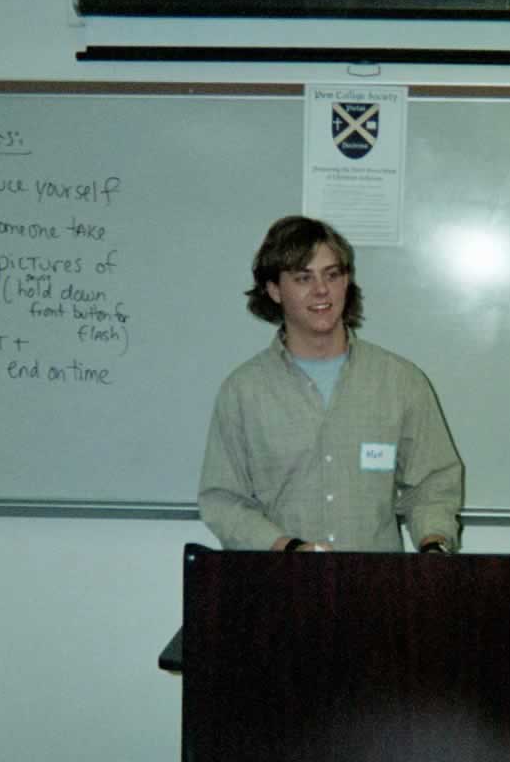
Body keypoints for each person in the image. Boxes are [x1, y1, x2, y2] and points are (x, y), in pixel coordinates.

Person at [198, 215, 463, 553]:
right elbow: (223, 501)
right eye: (303, 278)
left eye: (332, 275)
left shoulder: (400, 382)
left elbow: (432, 484)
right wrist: (286, 548)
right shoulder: (244, 391)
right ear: (274, 290)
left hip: (377, 591)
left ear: (346, 281)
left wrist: (434, 543)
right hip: (281, 589)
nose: (321, 290)